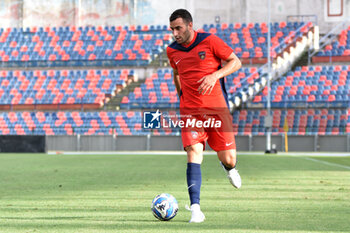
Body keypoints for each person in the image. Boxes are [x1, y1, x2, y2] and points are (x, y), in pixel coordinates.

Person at [166, 9, 242, 223]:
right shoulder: (172, 51)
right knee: (193, 152)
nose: (175, 33)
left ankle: (229, 167)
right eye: (172, 29)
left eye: (178, 28)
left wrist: (215, 75)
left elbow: (235, 62)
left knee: (229, 157)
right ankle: (196, 209)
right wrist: (181, 95)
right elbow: (176, 73)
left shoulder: (210, 41)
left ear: (190, 25)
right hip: (190, 111)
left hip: (217, 110)